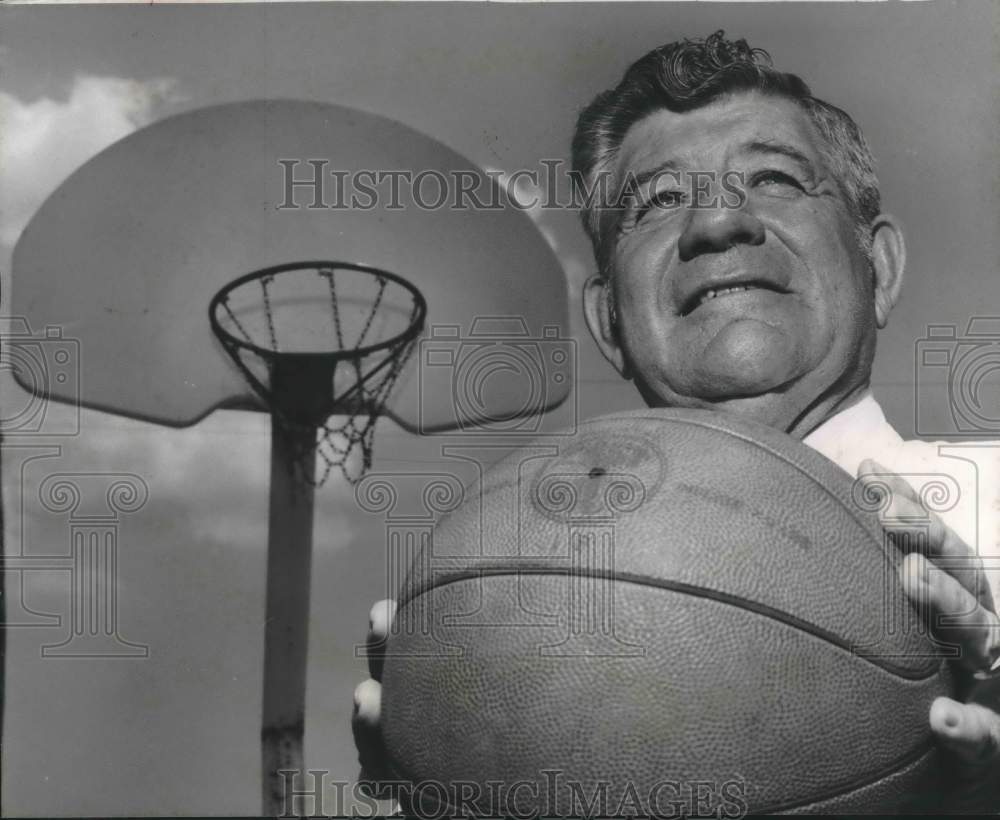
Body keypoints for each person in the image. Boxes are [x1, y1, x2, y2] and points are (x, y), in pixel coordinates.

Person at [353, 31, 999, 811]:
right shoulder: (501, 599)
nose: (717, 221)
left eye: (774, 178)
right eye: (658, 201)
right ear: (608, 323)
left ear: (880, 267)